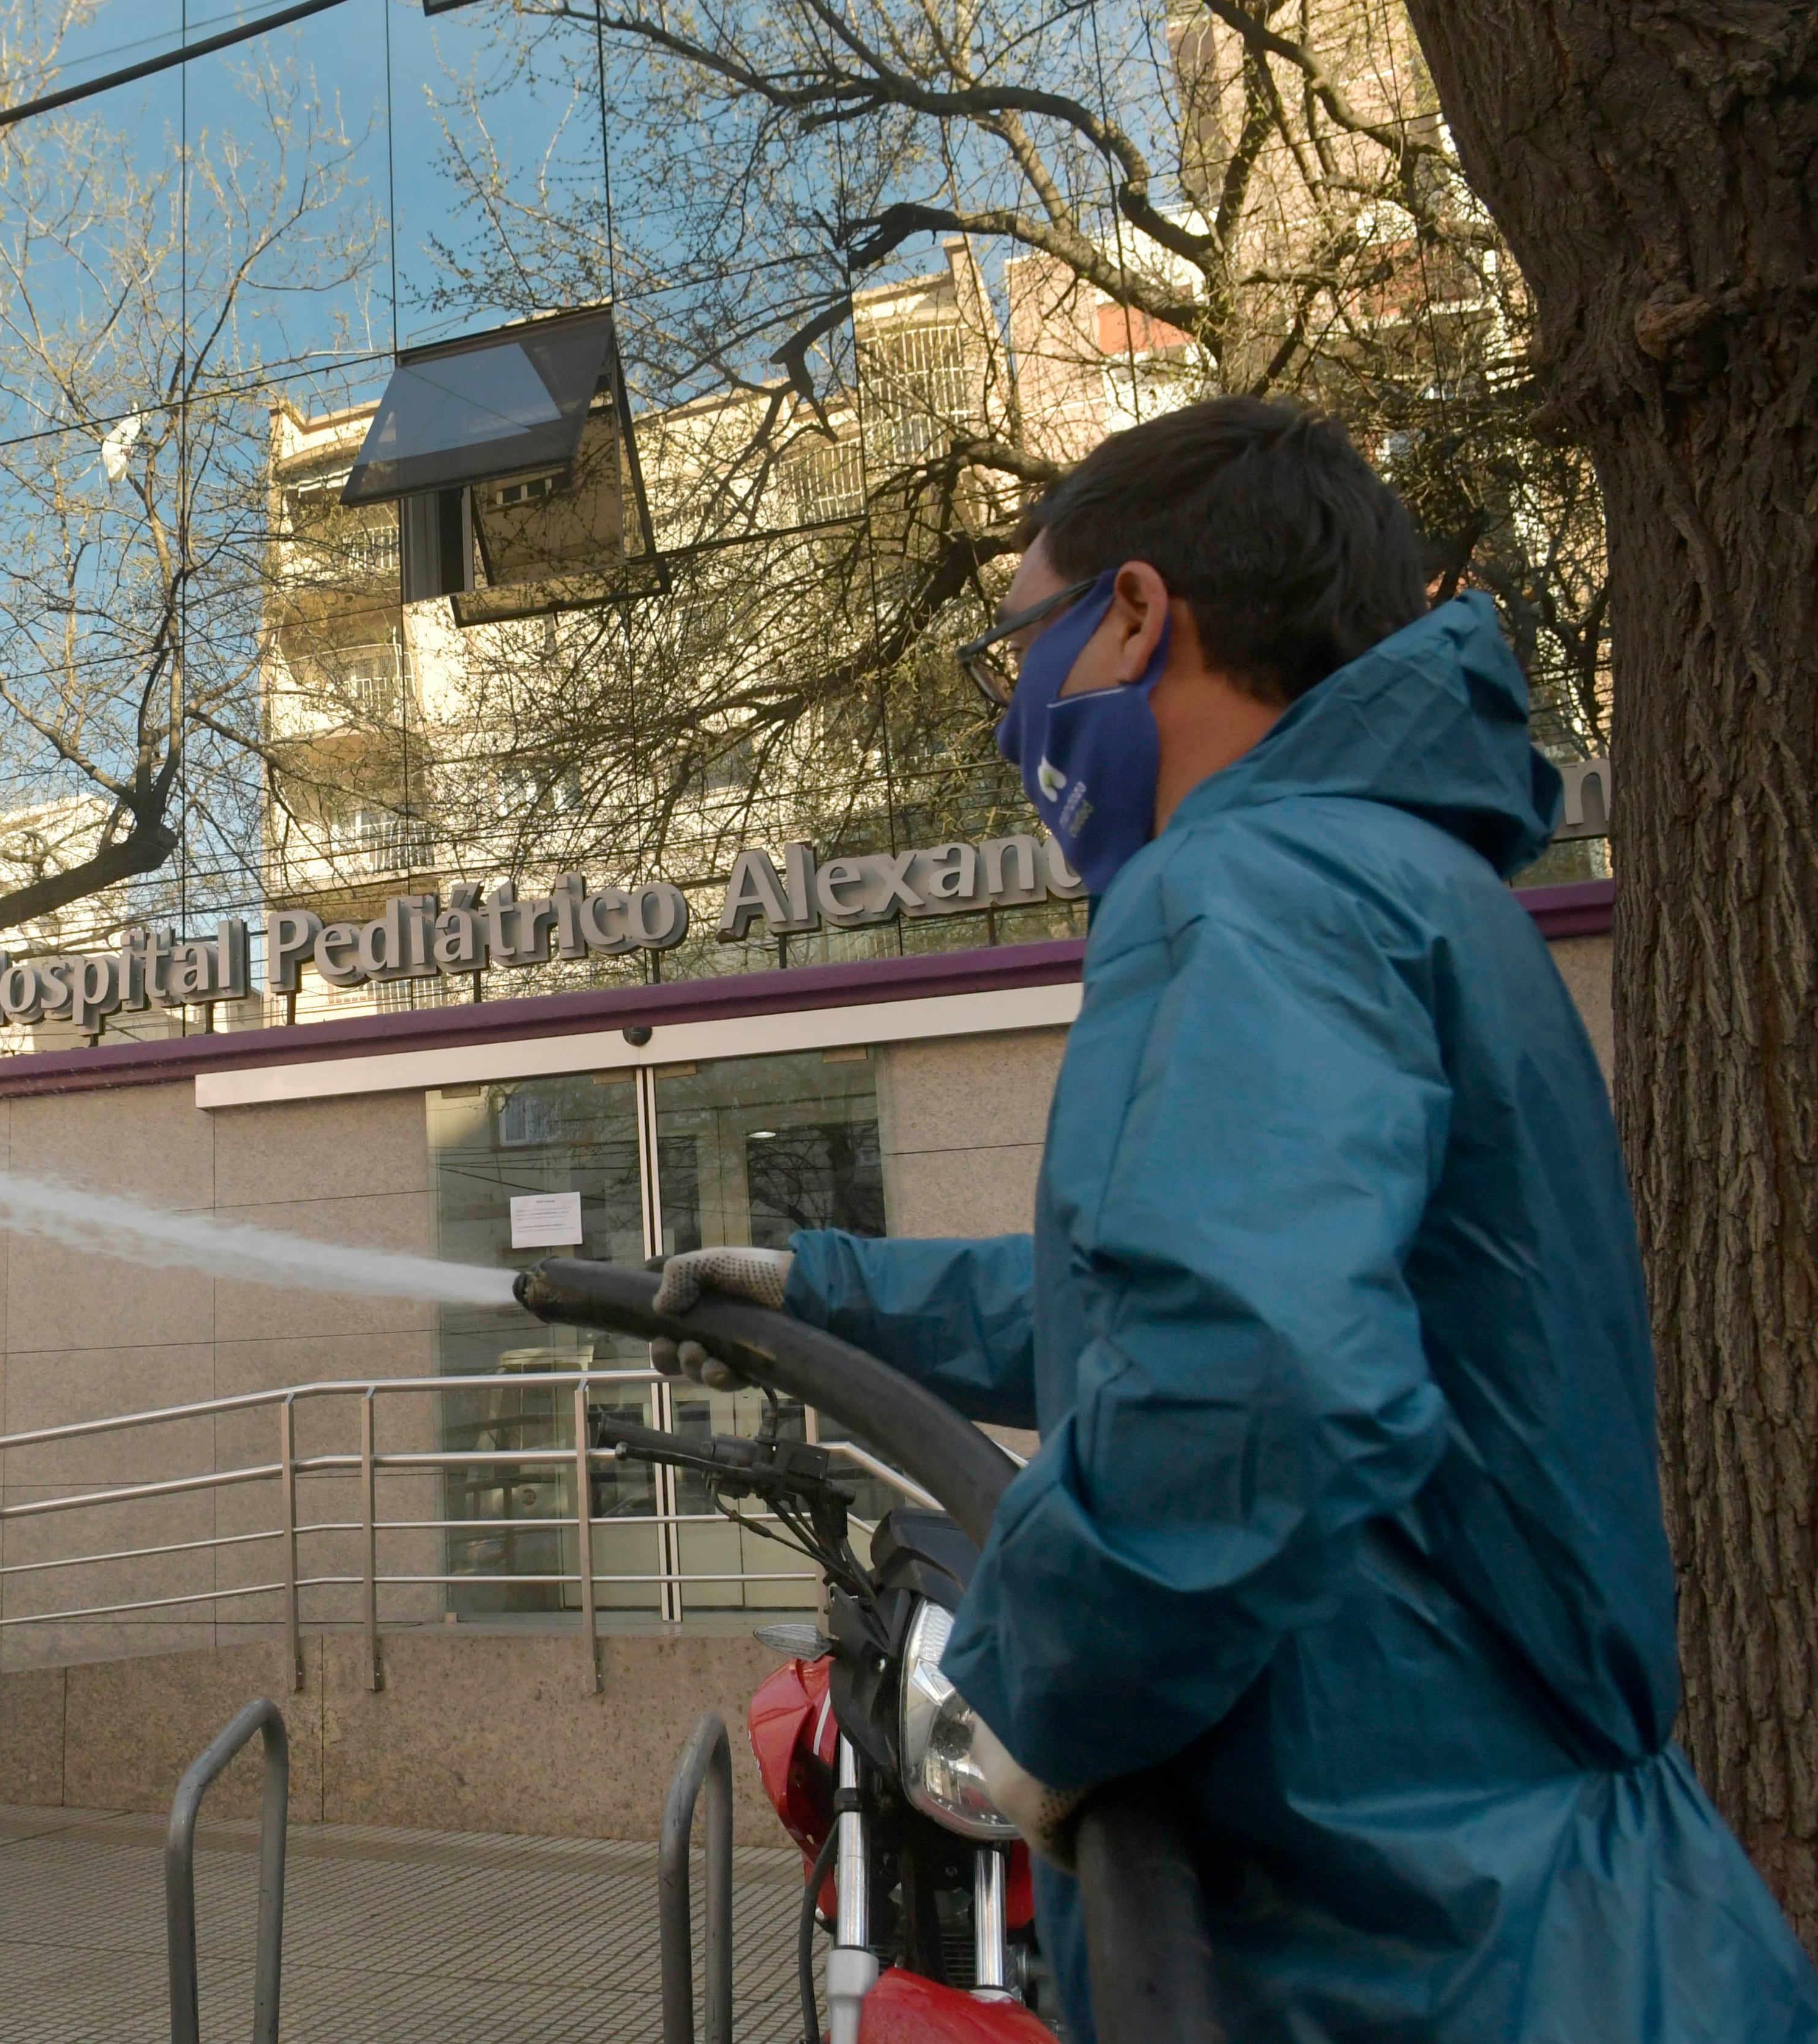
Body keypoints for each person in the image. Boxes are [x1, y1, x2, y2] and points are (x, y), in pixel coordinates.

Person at [651, 398, 1818, 2041]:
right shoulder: (1401, 880)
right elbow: (1186, 1297)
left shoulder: (1247, 884)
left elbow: (1251, 1373)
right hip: (1555, 1913)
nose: (1015, 724)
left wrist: (1039, 1689)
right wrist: (823, 1283)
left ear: (1134, 615)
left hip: (1412, 1942)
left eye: (1020, 653)